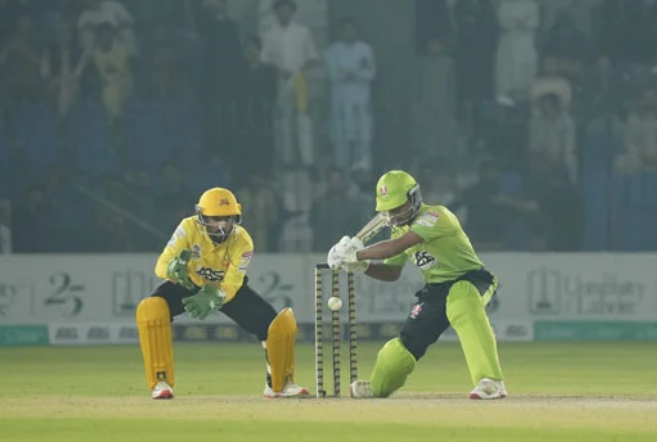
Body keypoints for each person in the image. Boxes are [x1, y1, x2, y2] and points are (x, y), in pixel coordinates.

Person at [326, 170, 507, 400]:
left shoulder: (435, 216)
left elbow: (396, 247)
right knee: (406, 343)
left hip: (469, 278)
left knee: (461, 301)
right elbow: (392, 272)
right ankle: (377, 386)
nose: (392, 215)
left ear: (414, 198)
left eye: (397, 208)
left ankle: (491, 381)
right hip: (435, 289)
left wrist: (357, 254)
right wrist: (363, 267)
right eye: (388, 210)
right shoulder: (398, 227)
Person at [136, 187, 309, 400]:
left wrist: (214, 296)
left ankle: (279, 384)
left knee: (276, 324)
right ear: (202, 217)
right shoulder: (187, 228)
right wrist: (172, 270)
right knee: (152, 309)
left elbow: (233, 282)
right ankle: (160, 382)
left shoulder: (243, 240)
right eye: (215, 219)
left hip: (222, 288)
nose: (222, 226)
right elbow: (161, 264)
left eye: (228, 219)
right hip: (187, 282)